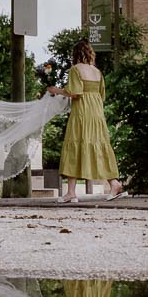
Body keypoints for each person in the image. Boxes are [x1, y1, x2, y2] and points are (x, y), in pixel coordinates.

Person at [46, 40, 126, 203]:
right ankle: (114, 182)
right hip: (96, 114)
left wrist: (56, 90)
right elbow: (101, 95)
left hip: (81, 113)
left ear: (75, 55)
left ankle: (71, 192)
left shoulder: (75, 70)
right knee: (99, 146)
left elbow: (74, 93)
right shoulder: (97, 72)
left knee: (74, 146)